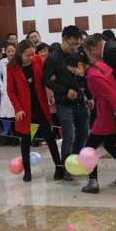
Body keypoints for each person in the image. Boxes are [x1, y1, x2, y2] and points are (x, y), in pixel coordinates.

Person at [66, 50, 116, 193]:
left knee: (88, 149)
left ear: (79, 64)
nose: (75, 74)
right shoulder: (99, 65)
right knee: (109, 144)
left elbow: (111, 95)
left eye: (74, 70)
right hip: (114, 112)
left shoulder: (92, 76)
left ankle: (93, 182)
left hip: (108, 116)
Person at [8, 40, 63, 182]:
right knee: (25, 139)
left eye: (33, 54)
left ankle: (58, 167)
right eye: (28, 55)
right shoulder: (12, 67)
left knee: (49, 135)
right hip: (24, 108)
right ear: (20, 54)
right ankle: (27, 171)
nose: (31, 57)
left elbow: (47, 75)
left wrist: (52, 77)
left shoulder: (38, 60)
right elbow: (11, 91)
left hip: (40, 104)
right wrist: (18, 109)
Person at [43, 26, 90, 181]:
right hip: (64, 104)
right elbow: (46, 80)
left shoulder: (78, 54)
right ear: (63, 39)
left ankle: (75, 161)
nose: (75, 47)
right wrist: (64, 91)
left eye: (78, 44)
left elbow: (85, 76)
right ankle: (66, 168)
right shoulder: (52, 59)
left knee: (83, 134)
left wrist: (89, 96)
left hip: (81, 102)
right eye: (72, 44)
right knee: (69, 136)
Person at [0, 42, 17, 146]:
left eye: (13, 51)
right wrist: (1, 85)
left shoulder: (19, 61)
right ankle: (6, 137)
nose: (11, 53)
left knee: (14, 114)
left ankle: (15, 138)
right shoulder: (2, 62)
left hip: (16, 91)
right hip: (5, 91)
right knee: (5, 115)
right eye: (9, 51)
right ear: (5, 52)